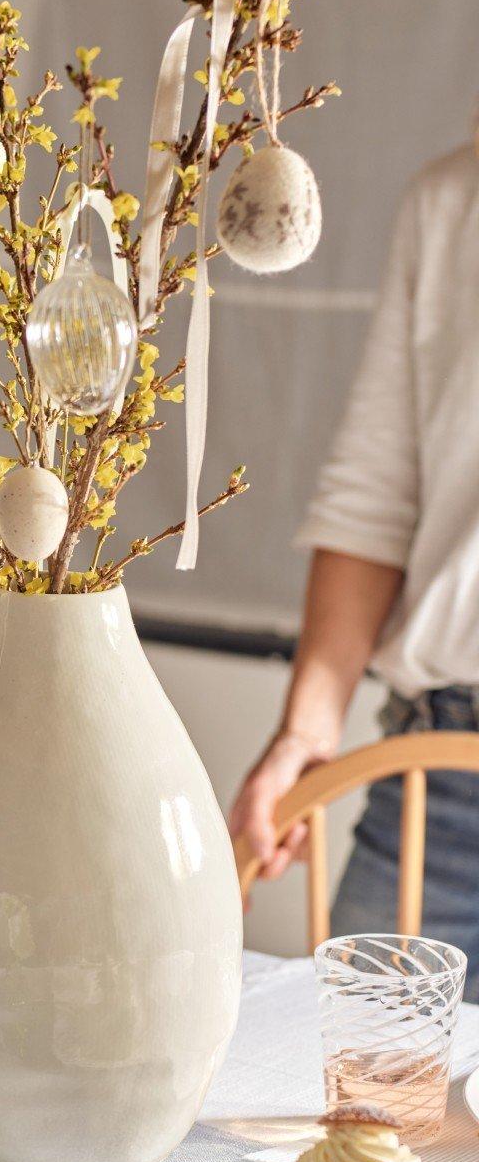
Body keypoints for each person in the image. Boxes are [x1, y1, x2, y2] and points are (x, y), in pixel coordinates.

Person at [229, 141, 479, 1000]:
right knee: (351, 1117)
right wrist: (306, 731)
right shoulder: (452, 201)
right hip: (436, 792)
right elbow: (377, 493)